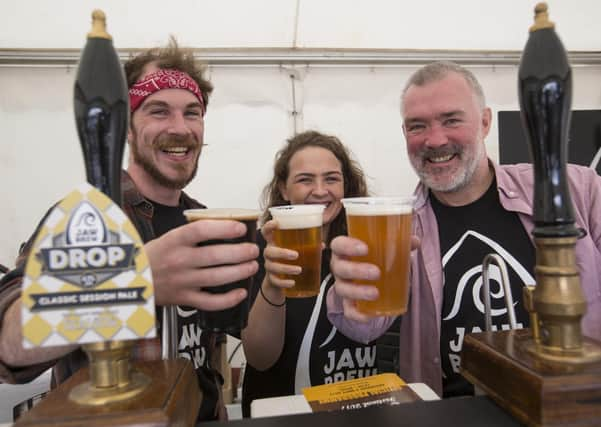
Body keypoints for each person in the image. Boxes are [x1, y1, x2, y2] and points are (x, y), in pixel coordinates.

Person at [0, 39, 259, 421]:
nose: (180, 128)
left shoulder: (203, 221)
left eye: (192, 113)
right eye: (158, 111)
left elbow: (236, 342)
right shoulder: (86, 218)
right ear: (127, 128)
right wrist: (133, 281)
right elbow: (7, 344)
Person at [327, 61, 601, 399]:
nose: (435, 139)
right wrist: (349, 289)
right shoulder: (397, 227)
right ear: (404, 134)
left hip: (573, 405)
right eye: (417, 126)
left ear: (485, 122)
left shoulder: (575, 190)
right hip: (452, 414)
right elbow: (361, 329)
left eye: (451, 120)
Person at [240, 130, 376, 416]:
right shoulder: (259, 251)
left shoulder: (365, 247)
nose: (320, 190)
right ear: (284, 189)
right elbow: (260, 359)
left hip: (356, 413)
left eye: (331, 178)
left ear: (346, 186)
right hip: (284, 415)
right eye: (305, 179)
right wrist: (272, 283)